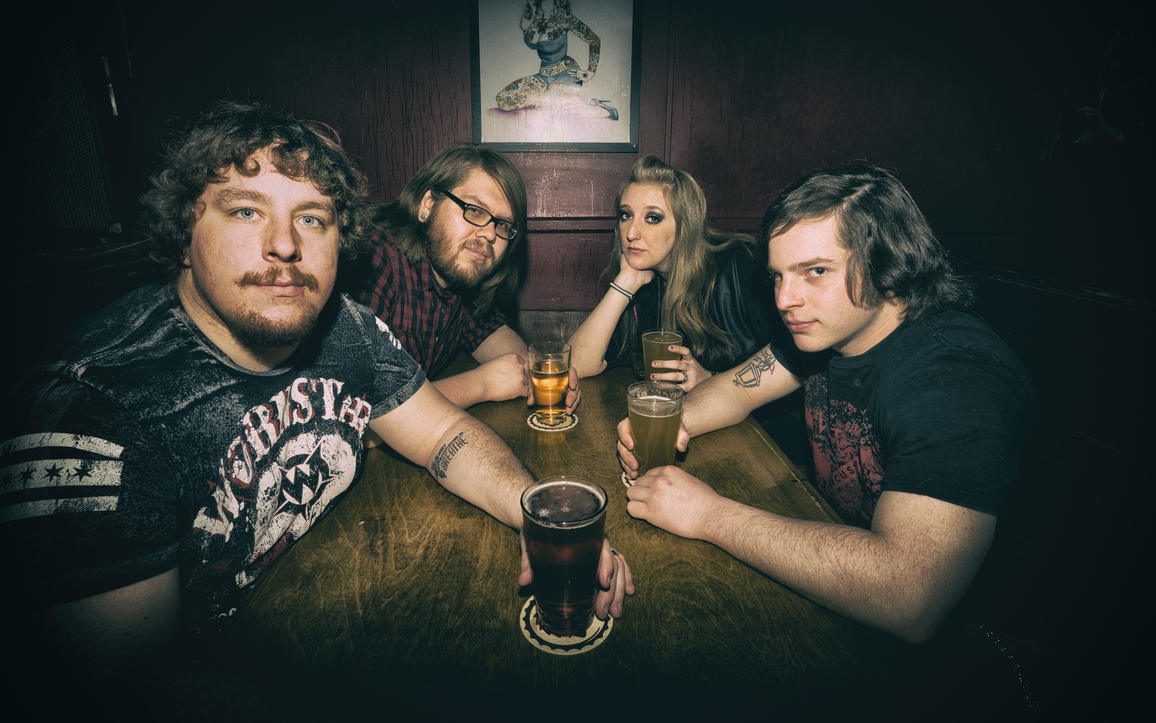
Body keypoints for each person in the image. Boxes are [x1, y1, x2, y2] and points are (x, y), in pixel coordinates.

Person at [0, 103, 631, 682]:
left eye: (312, 218)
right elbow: (130, 694)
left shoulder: (348, 328)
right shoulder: (91, 412)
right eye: (246, 210)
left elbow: (443, 432)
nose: (284, 245)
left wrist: (540, 517)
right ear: (185, 230)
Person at [618, 163, 1038, 644]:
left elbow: (908, 596)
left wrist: (707, 514)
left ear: (889, 262)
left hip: (981, 651)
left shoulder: (956, 378)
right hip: (841, 583)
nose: (784, 299)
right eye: (777, 276)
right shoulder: (827, 333)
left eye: (815, 271)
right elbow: (737, 388)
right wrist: (673, 419)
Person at [344, 142, 579, 413]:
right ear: (428, 203)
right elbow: (351, 410)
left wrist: (539, 371)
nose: (490, 234)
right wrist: (480, 385)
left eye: (503, 225)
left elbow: (491, 333)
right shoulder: (370, 257)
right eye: (475, 210)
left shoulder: (460, 277)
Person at [569, 155, 774, 390]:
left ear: (685, 226)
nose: (631, 233)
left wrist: (712, 379)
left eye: (652, 218)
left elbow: (790, 364)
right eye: (626, 215)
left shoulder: (741, 264)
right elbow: (575, 366)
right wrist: (625, 283)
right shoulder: (642, 282)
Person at [494, 0, 617, 120]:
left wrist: (590, 71)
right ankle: (560, 100)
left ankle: (603, 110)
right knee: (504, 99)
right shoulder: (529, 16)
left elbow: (594, 40)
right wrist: (533, 9)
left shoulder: (562, 16)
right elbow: (531, 43)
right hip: (543, 75)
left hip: (567, 73)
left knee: (545, 109)